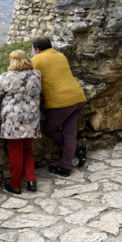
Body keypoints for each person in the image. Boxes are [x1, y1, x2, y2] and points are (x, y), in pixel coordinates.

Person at [32, 36, 88, 177]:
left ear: (37, 49)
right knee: (69, 132)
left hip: (60, 102)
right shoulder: (61, 55)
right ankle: (65, 165)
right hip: (78, 97)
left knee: (49, 130)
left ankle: (78, 147)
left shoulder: (36, 59)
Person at [0, 50, 42, 194]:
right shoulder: (36, 75)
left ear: (15, 61)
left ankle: (15, 184)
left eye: (12, 60)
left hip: (14, 121)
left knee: (15, 152)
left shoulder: (7, 77)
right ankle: (31, 180)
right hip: (31, 118)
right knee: (28, 150)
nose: (10, 62)